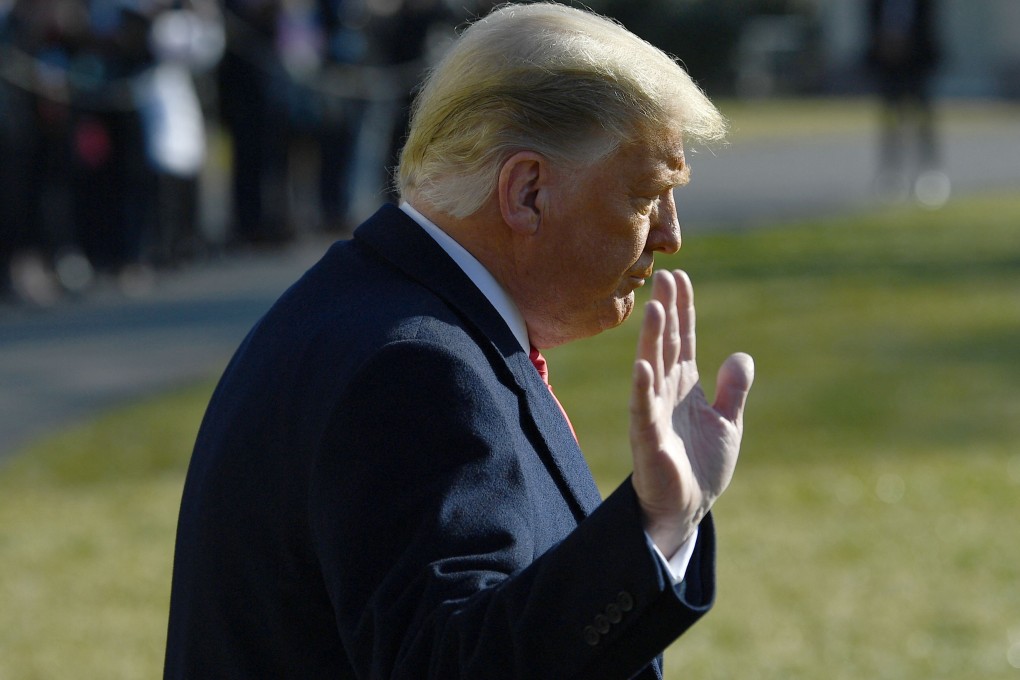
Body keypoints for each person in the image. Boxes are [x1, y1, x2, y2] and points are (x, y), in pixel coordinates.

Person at [164, 3, 754, 679]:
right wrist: (652, 521)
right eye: (649, 194)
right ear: (527, 191)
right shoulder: (414, 370)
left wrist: (664, 521)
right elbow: (453, 665)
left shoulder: (376, 309)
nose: (669, 234)